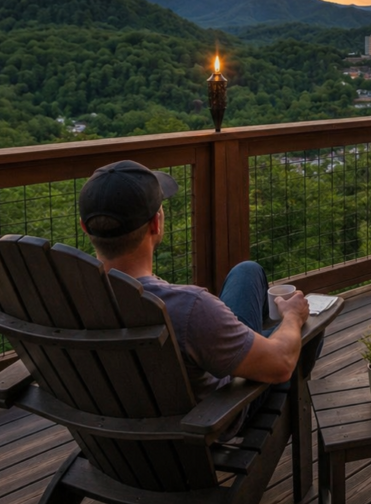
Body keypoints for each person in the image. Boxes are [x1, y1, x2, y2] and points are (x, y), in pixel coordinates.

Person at [78, 159, 310, 433]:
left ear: (84, 227)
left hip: (111, 433)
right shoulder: (187, 308)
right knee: (306, 328)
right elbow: (281, 364)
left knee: (247, 272)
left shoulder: (69, 299)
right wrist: (293, 317)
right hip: (211, 419)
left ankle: (239, 341)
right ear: (155, 224)